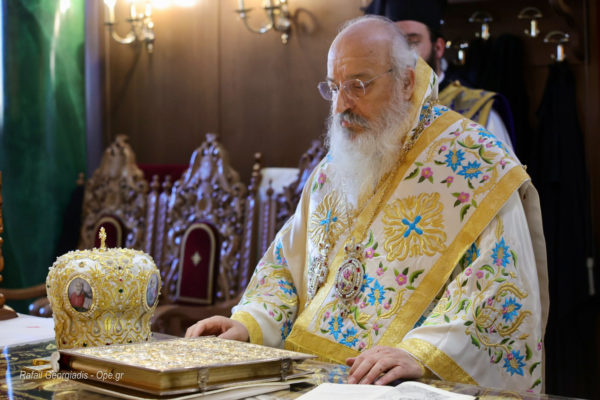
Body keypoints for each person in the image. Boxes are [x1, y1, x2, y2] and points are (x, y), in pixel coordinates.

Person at [186, 16, 548, 392]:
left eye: (358, 86)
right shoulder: (334, 169)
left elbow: (500, 290)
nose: (342, 105)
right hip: (309, 382)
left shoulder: (476, 162)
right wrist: (249, 322)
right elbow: (286, 267)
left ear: (405, 81)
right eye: (334, 88)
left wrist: (423, 353)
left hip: (402, 388)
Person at [364, 0, 515, 150]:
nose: (402, 53)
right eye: (394, 44)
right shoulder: (378, 110)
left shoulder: (479, 112)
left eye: (412, 43)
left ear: (438, 47)